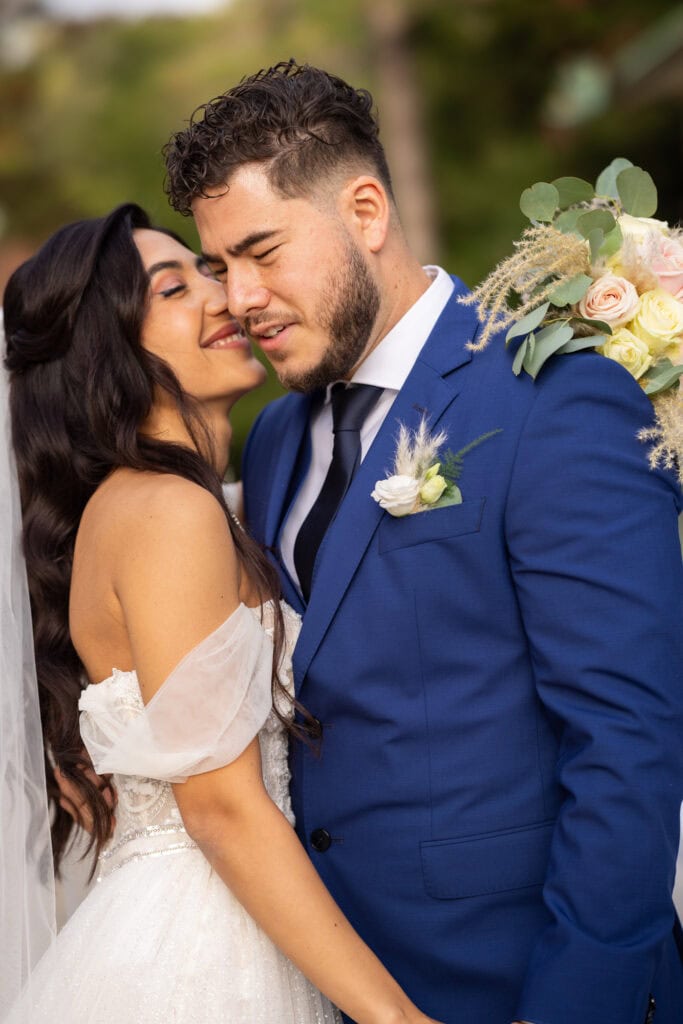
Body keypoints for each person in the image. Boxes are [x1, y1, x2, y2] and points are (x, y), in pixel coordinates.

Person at [163, 60, 683, 1024]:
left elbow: (627, 745)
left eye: (262, 252)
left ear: (365, 211)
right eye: (220, 265)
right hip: (327, 979)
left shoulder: (556, 399)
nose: (238, 297)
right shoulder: (273, 439)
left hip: (515, 980)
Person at [0, 202, 443, 1024]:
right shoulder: (167, 513)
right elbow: (220, 807)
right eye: (174, 289)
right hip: (204, 949)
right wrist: (396, 1019)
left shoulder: (200, 505)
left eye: (208, 272)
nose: (226, 297)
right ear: (106, 350)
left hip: (240, 914)